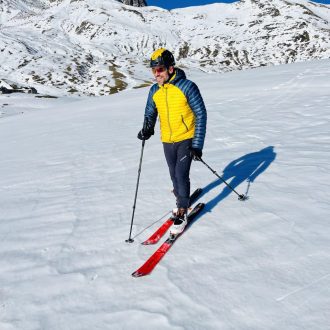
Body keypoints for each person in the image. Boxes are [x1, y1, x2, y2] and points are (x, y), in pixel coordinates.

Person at [137, 48, 207, 236]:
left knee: (180, 173)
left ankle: (182, 210)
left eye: (159, 69)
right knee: (173, 174)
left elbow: (201, 114)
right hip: (167, 139)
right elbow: (150, 113)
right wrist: (147, 129)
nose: (156, 74)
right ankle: (181, 196)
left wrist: (197, 145)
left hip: (186, 137)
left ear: (170, 68)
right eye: (153, 70)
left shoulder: (187, 86)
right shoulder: (154, 91)